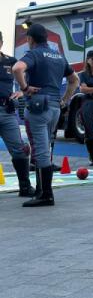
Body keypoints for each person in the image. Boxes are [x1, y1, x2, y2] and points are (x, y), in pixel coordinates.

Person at [13, 24, 79, 207]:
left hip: (38, 107)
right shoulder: (58, 56)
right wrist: (64, 100)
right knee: (46, 148)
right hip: (55, 107)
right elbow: (75, 80)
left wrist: (25, 88)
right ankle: (42, 190)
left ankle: (46, 195)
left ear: (30, 39)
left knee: (40, 151)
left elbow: (17, 68)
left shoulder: (34, 54)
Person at [0, 31, 35, 197]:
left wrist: (22, 91)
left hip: (7, 112)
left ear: (1, 43)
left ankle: (25, 187)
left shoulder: (11, 61)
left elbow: (27, 77)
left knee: (21, 150)